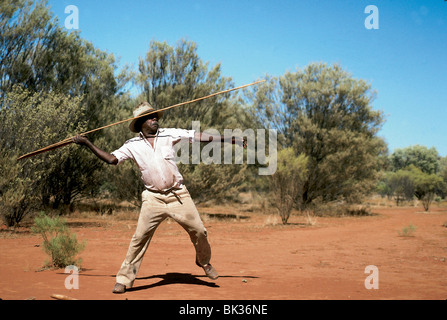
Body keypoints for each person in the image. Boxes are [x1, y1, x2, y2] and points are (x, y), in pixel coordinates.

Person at [72, 102, 245, 294]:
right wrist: (87, 143)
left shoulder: (169, 134)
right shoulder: (132, 145)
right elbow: (112, 160)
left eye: (155, 117)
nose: (155, 119)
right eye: (150, 117)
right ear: (140, 124)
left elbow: (197, 137)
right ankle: (124, 279)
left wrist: (229, 139)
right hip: (152, 199)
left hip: (178, 195)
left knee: (200, 231)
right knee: (139, 238)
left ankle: (203, 262)